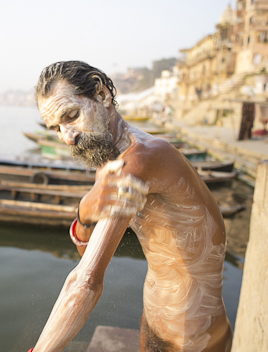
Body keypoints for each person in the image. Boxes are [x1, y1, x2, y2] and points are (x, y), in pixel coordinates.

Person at [29, 61, 232, 352]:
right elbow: (88, 251)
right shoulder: (111, 164)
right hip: (152, 321)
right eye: (56, 128)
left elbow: (85, 284)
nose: (67, 137)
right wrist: (84, 215)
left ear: (102, 95)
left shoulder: (141, 159)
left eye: (71, 116)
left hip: (194, 338)